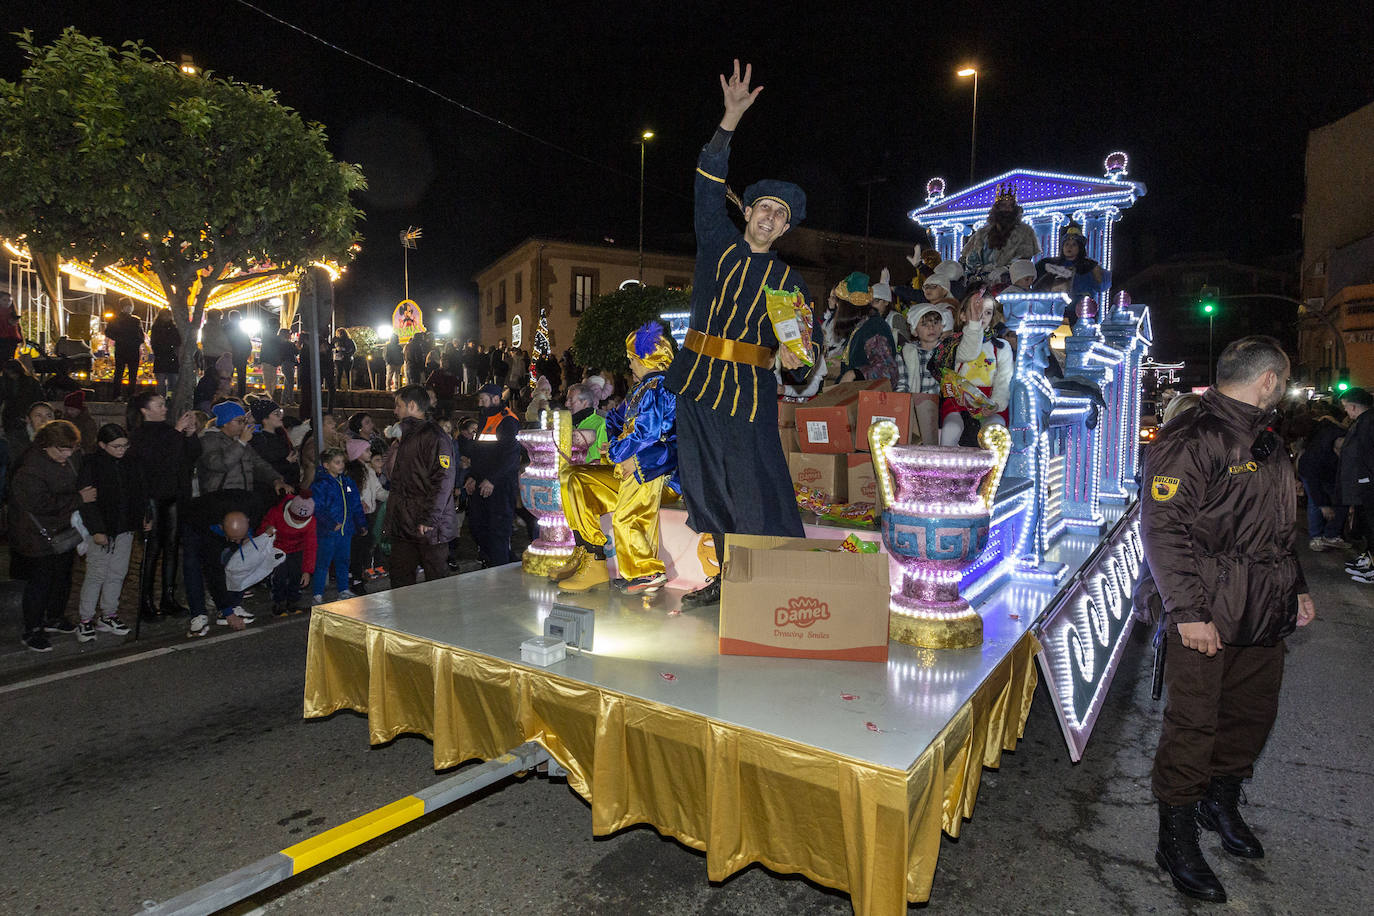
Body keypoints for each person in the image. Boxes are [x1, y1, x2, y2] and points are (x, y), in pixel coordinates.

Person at [1142, 336, 1315, 904]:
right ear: (1268, 380)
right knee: (1194, 724)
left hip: (1265, 607)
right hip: (1208, 610)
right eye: (1283, 382)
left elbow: (1281, 525)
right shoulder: (1194, 437)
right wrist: (1187, 612)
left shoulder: (1268, 439)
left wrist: (1299, 589)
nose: (1283, 392)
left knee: (1250, 715)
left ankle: (1222, 801)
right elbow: (1163, 529)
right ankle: (1177, 834)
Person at [664, 60, 815, 607]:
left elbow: (799, 361)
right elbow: (706, 183)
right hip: (697, 380)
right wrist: (728, 121)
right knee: (704, 484)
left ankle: (760, 586)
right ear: (747, 212)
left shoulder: (786, 281)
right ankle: (728, 575)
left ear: (784, 228)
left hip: (747, 394)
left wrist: (800, 355)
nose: (771, 218)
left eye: (781, 215)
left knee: (750, 488)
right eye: (764, 208)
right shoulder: (718, 245)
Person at [552, 322, 678, 594]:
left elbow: (646, 435)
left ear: (645, 359)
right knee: (573, 477)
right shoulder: (640, 389)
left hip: (655, 472)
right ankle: (590, 553)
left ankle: (646, 571)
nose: (629, 364)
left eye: (632, 358)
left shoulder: (660, 388)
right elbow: (617, 419)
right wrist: (611, 438)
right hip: (632, 468)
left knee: (625, 516)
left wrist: (617, 448)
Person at [9, 420, 94, 651]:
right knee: (40, 582)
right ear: (46, 445)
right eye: (62, 449)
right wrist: (78, 499)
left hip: (64, 529)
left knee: (63, 575)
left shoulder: (71, 457)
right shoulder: (30, 466)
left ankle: (55, 617)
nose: (67, 454)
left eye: (71, 449)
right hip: (36, 533)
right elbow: (39, 503)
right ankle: (32, 629)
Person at [128, 391, 201, 620]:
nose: (164, 408)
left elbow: (189, 457)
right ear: (145, 410)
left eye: (163, 404)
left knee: (171, 547)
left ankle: (168, 597)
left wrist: (190, 435)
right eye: (159, 405)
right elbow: (155, 459)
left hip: (175, 495)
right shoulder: (140, 435)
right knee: (152, 550)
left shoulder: (170, 431)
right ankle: (146, 602)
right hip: (153, 497)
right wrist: (178, 432)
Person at [75, 424, 147, 641]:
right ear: (102, 445)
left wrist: (144, 516)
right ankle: (85, 619)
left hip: (124, 528)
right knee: (96, 574)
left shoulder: (130, 463)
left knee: (117, 573)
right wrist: (97, 530)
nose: (121, 450)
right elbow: (88, 502)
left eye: (124, 445)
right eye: (116, 446)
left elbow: (139, 492)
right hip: (103, 527)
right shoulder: (92, 464)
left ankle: (109, 614)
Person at [383, 384, 457, 586]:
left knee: (435, 585)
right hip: (404, 524)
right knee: (400, 581)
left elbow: (443, 480)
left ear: (412, 405)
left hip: (427, 528)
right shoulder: (406, 436)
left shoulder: (434, 437)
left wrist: (429, 519)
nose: (395, 410)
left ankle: (435, 618)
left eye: (398, 405)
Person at [932, 286, 1013, 446]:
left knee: (996, 432)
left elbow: (1003, 381)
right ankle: (946, 470)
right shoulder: (953, 344)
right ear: (962, 315)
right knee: (951, 430)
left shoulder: (1002, 347)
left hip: (989, 402)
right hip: (958, 402)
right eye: (975, 311)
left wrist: (996, 404)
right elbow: (969, 352)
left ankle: (994, 471)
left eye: (987, 312)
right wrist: (974, 325)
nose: (981, 316)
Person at [180, 489, 258, 636]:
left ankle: (233, 603)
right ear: (222, 529)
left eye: (239, 538)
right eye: (233, 539)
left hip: (229, 506)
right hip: (194, 521)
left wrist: (248, 538)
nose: (236, 543)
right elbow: (213, 572)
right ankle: (198, 614)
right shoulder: (208, 530)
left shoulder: (253, 508)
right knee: (193, 565)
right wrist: (229, 614)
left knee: (239, 557)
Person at [464, 383, 521, 567]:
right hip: (482, 482)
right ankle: (500, 561)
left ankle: (500, 570)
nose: (480, 403)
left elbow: (511, 457)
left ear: (496, 399)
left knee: (498, 530)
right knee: (477, 525)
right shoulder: (484, 418)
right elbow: (479, 452)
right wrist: (472, 476)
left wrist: (492, 480)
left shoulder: (508, 420)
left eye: (483, 399)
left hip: (500, 485)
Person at [196, 401, 291, 502]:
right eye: (239, 421)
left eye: (244, 421)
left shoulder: (240, 441)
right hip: (219, 497)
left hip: (243, 496)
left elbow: (258, 464)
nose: (243, 425)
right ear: (225, 422)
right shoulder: (209, 440)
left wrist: (276, 480)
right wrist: (241, 442)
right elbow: (219, 464)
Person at [309, 446, 367, 603]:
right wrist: (330, 523)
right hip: (328, 532)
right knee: (323, 562)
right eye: (337, 462)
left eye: (342, 462)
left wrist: (361, 523)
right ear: (326, 465)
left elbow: (356, 505)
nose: (341, 465)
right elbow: (317, 507)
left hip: (346, 530)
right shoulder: (320, 485)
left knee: (343, 560)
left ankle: (343, 589)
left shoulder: (348, 482)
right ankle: (317, 593)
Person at [833, 272, 906, 392]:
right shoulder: (860, 327)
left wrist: (854, 374)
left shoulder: (873, 327)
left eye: (839, 303)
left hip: (867, 403)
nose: (837, 307)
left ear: (848, 306)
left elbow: (888, 371)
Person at [959, 184, 1041, 284]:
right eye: (1003, 205)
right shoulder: (982, 233)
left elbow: (1023, 259)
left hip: (1008, 281)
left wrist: (1004, 269)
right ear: (996, 208)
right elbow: (969, 257)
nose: (1007, 209)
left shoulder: (1025, 232)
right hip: (981, 282)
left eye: (1010, 206)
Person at [1296, 401, 1349, 553]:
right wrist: (1323, 505)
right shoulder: (1317, 453)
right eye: (1338, 452)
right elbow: (1313, 482)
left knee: (1341, 500)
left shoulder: (1346, 441)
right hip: (1310, 471)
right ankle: (1316, 537)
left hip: (1329, 473)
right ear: (1334, 446)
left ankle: (1331, 535)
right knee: (1315, 503)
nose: (1340, 455)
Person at [901, 304, 954, 445]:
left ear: (942, 326)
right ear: (914, 331)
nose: (931, 328)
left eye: (936, 323)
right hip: (918, 409)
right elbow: (902, 385)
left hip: (943, 408)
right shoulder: (907, 354)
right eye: (924, 324)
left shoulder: (948, 351)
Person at [1338, 387, 1374, 582]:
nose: (1346, 412)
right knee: (1367, 526)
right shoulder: (1364, 421)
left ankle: (1372, 566)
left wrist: (1366, 479)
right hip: (1364, 485)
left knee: (1371, 525)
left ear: (1353, 406)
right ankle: (1368, 559)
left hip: (1368, 485)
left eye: (1346, 408)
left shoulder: (1368, 422)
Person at [259, 494, 316, 615]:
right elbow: (262, 529)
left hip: (297, 550)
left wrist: (307, 571)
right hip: (278, 549)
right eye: (295, 519)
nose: (297, 523)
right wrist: (266, 530)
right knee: (279, 577)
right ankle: (278, 602)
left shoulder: (311, 523)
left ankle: (293, 601)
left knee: (297, 576)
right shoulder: (276, 513)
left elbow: (311, 546)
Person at [1034, 223, 1106, 297]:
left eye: (1074, 244)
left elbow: (1099, 286)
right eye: (1067, 244)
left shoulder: (1089, 266)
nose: (1069, 247)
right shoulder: (1050, 264)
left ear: (1080, 248)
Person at [104, 299, 146, 399]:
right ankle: (120, 395)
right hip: (126, 349)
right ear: (122, 307)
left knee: (127, 374)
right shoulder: (120, 320)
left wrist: (137, 340)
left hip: (126, 349)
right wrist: (124, 339)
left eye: (130, 306)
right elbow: (108, 332)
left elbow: (141, 335)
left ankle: (124, 395)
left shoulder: (133, 320)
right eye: (128, 306)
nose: (129, 308)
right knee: (123, 373)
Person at [565, 383, 608, 461]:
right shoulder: (567, 424)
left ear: (585, 402)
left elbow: (605, 460)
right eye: (567, 400)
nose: (566, 404)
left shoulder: (602, 424)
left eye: (571, 400)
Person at [871, 268, 910, 348]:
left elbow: (905, 344)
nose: (872, 305)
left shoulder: (895, 318)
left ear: (886, 302)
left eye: (876, 301)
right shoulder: (870, 318)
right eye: (870, 302)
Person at [61, 389, 99, 454]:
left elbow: (89, 440)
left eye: (72, 409)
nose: (69, 411)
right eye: (67, 409)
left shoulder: (87, 422)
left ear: (79, 409)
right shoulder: (65, 419)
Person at [226, 311, 254, 399]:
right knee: (241, 378)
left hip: (229, 356)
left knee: (227, 377)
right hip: (240, 357)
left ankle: (227, 393)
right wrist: (245, 354)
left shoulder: (225, 328)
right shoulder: (242, 330)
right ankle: (241, 395)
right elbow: (248, 345)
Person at [0, 290, 22, 363]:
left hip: (11, 342)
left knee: (8, 362)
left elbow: (17, 329)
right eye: (4, 300)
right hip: (2, 341)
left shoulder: (12, 313)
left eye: (9, 300)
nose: (7, 302)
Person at [332, 328, 357, 392]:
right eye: (339, 333)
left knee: (347, 372)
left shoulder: (349, 340)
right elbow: (330, 348)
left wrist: (347, 354)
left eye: (342, 333)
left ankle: (349, 386)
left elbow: (354, 349)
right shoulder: (335, 340)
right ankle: (338, 387)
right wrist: (336, 349)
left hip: (347, 358)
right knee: (339, 372)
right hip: (338, 358)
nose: (340, 334)